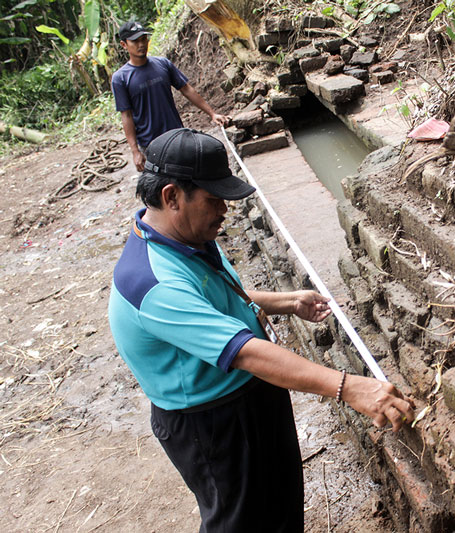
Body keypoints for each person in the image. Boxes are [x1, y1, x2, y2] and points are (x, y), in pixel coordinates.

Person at [107, 128, 415, 532]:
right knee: (240, 521)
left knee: (281, 504)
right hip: (213, 423)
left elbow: (209, 297)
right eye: (214, 200)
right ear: (171, 197)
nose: (224, 211)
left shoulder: (181, 237)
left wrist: (283, 301)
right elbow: (246, 352)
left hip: (250, 395)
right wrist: (350, 387)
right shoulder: (153, 284)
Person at [111, 21, 231, 172]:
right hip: (150, 144)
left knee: (187, 178)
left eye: (143, 39)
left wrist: (212, 113)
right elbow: (126, 115)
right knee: (162, 185)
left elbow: (186, 89)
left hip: (177, 135)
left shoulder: (162, 64)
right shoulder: (120, 78)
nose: (141, 44)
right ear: (124, 44)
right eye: (135, 41)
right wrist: (135, 151)